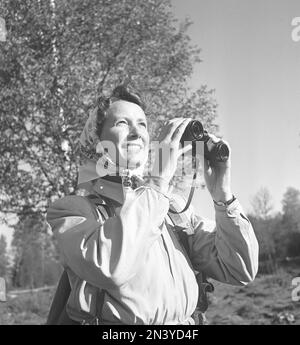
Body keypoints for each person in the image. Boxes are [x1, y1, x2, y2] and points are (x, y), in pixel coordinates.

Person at [46, 84, 259, 325]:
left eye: (142, 124)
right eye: (122, 123)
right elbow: (110, 267)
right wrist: (157, 182)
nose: (137, 133)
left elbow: (239, 269)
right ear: (97, 141)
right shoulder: (72, 211)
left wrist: (223, 196)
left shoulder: (172, 209)